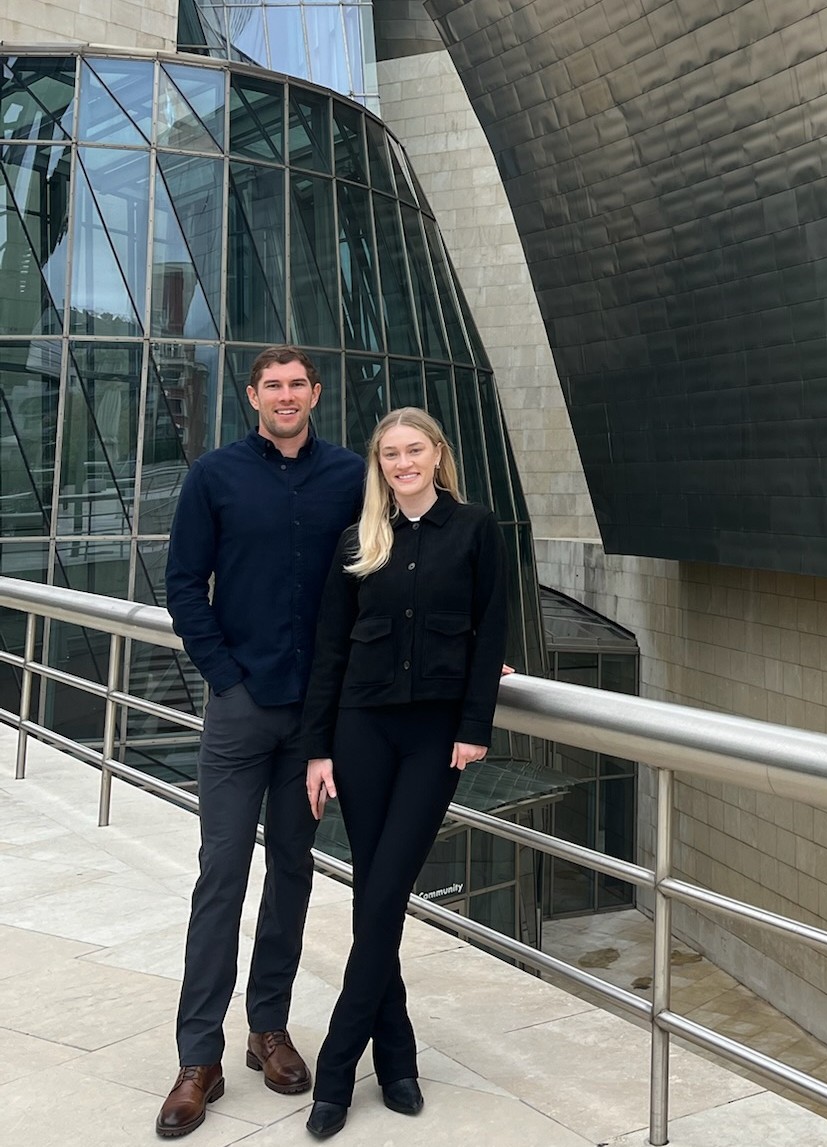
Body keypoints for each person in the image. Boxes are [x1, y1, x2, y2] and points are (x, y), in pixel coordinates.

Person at [159, 347, 366, 1137]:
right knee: (220, 874)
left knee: (292, 869)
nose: (286, 396)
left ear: (316, 393)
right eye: (271, 386)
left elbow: (399, 558)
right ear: (253, 396)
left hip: (316, 719)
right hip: (242, 709)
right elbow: (183, 582)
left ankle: (267, 1027)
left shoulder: (350, 474)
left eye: (297, 385)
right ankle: (196, 1057)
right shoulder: (215, 475)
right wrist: (225, 674)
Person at [296, 407, 510, 1138]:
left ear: (437, 454)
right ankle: (397, 1059)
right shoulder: (359, 538)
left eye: (413, 450)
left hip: (434, 739)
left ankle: (334, 1069)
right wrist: (317, 747)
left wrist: (475, 725)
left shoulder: (477, 530)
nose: (402, 462)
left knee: (384, 890)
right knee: (374, 896)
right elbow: (330, 647)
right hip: (361, 731)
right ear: (379, 464)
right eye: (390, 453)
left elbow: (491, 631)